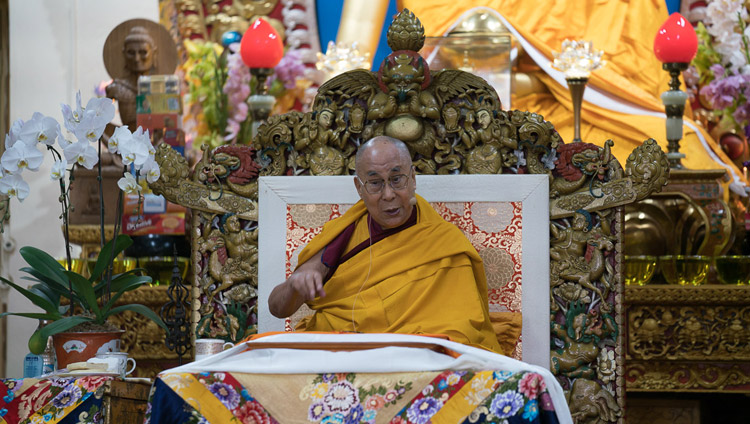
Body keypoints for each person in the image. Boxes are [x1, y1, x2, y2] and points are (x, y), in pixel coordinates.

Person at [268, 136, 503, 354]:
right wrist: (295, 285)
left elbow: (462, 328)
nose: (388, 194)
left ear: (412, 178)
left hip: (417, 359)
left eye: (396, 179)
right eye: (375, 183)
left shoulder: (445, 242)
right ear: (359, 188)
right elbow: (278, 309)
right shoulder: (343, 233)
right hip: (344, 355)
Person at [106, 26, 157, 129]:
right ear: (124, 54)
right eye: (131, 53)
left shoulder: (160, 88)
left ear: (154, 53)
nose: (137, 59)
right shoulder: (116, 88)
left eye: (143, 52)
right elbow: (101, 120)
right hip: (126, 140)